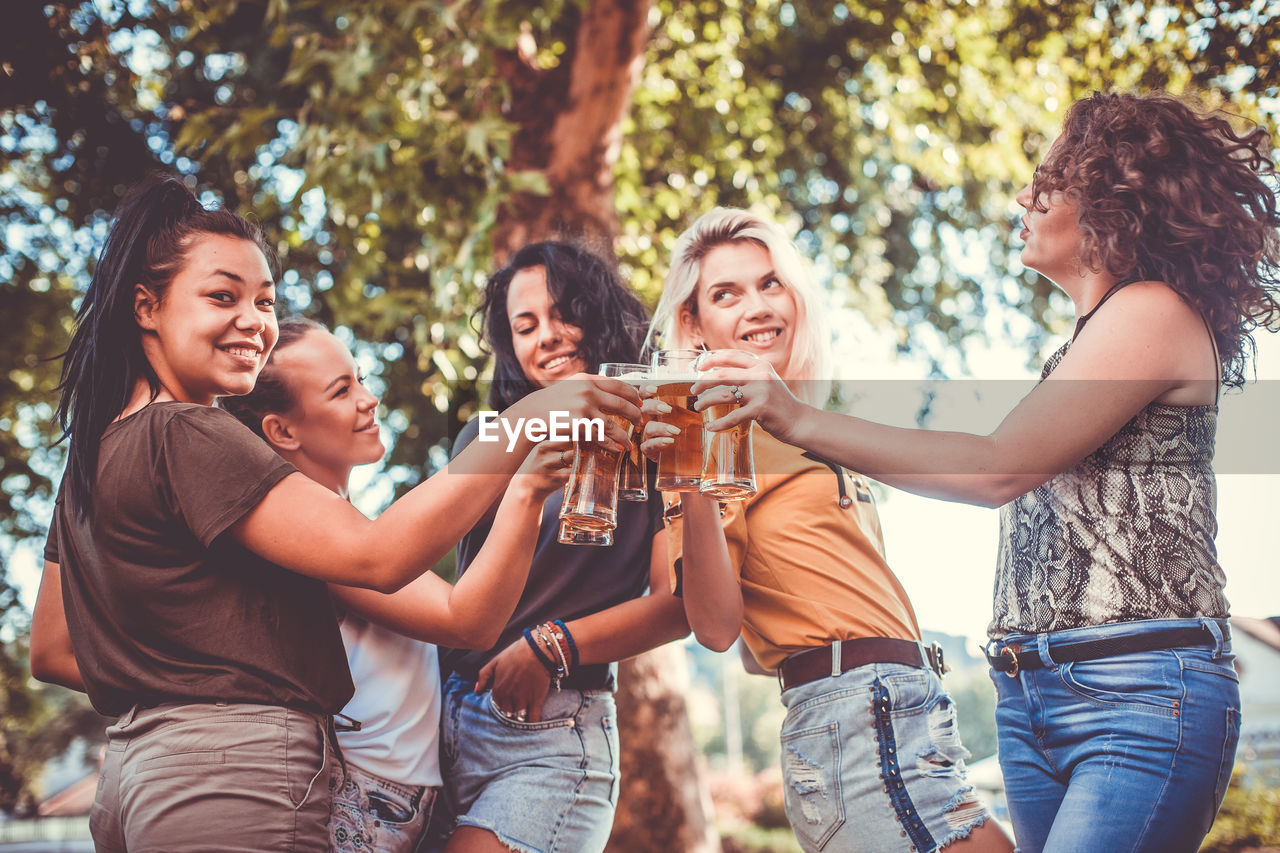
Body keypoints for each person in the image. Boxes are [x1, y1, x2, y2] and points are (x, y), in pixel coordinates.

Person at [688, 92, 1280, 852]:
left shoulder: (1154, 311)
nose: (1023, 198)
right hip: (1033, 698)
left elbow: (998, 467)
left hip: (1139, 693)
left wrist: (797, 419)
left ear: (1109, 196)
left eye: (1047, 180)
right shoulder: (1079, 348)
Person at [27, 176, 639, 853]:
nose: (253, 320)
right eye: (222, 296)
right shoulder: (187, 432)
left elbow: (53, 647)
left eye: (264, 300)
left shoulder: (94, 453)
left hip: (139, 770)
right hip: (232, 772)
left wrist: (177, 680)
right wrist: (524, 424)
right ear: (147, 306)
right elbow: (380, 558)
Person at [642, 207, 1013, 853]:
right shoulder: (716, 441)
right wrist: (691, 481)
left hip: (905, 712)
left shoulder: (807, 429)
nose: (755, 306)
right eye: (724, 294)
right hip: (858, 716)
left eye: (769, 283)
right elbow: (716, 626)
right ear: (694, 326)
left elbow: (772, 636)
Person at [221, 318, 574, 853]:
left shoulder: (347, 529)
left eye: (359, 378)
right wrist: (524, 487)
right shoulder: (315, 542)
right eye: (342, 391)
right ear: (283, 432)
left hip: (402, 803)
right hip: (359, 806)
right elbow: (470, 620)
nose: (369, 399)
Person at [431, 241, 690, 853]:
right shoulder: (487, 436)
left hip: (552, 730)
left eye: (565, 312)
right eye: (525, 326)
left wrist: (553, 647)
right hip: (440, 725)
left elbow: (678, 604)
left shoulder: (660, 442)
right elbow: (413, 567)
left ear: (601, 316)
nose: (547, 337)